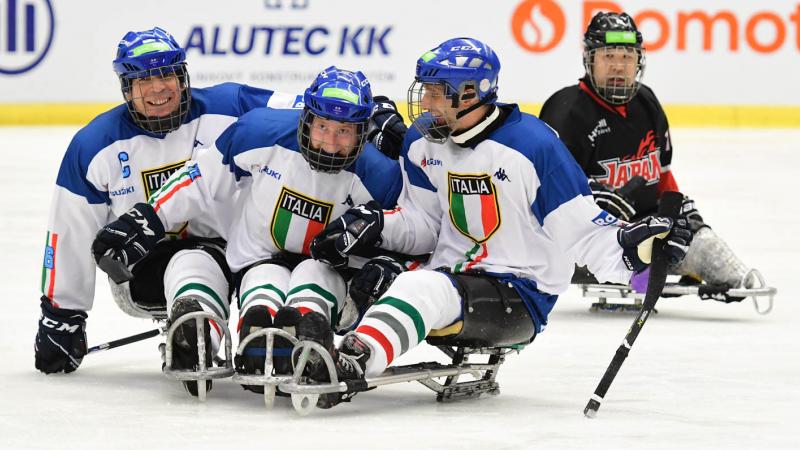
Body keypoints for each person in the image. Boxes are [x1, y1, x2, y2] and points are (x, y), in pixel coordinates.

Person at [304, 37, 692, 408]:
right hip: (450, 272)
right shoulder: (423, 142)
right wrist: (376, 226)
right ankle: (300, 338)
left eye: (436, 93)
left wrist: (638, 259)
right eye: (424, 90)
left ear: (470, 94)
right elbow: (423, 224)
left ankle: (352, 362)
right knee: (349, 267)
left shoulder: (535, 148)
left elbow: (584, 234)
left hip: (520, 292)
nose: (424, 102)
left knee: (420, 286)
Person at [91, 66, 403, 393]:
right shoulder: (259, 132)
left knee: (314, 273)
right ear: (306, 119)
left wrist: (390, 263)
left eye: (344, 132)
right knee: (261, 283)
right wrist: (149, 217)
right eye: (323, 126)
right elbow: (201, 178)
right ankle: (219, 336)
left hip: (327, 267)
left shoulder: (380, 174)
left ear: (362, 131)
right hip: (258, 259)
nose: (329, 143)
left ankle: (308, 330)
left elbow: (410, 229)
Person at [34, 27, 301, 389]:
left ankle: (209, 332)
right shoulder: (94, 145)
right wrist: (61, 315)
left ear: (183, 76)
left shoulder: (230, 106)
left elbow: (308, 114)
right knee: (190, 262)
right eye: (143, 80)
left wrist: (370, 118)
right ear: (126, 88)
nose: (158, 88)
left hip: (237, 251)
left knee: (271, 270)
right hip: (148, 266)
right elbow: (69, 230)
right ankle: (194, 333)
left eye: (166, 75)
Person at [539, 12, 755, 297]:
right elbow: (548, 197)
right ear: (589, 59)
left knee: (710, 251)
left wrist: (681, 214)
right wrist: (595, 202)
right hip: (592, 242)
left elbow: (663, 176)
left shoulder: (647, 102)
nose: (618, 66)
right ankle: (641, 274)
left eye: (627, 57)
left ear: (639, 61)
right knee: (638, 261)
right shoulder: (565, 112)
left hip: (648, 230)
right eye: (608, 56)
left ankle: (653, 271)